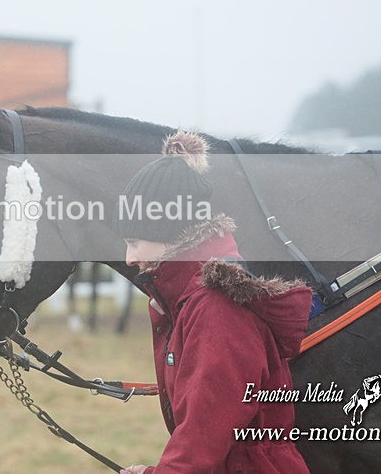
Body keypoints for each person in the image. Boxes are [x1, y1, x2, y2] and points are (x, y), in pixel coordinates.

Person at [114, 131, 312, 474]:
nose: (128, 259)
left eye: (134, 242)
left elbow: (206, 434)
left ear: (168, 233)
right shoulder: (186, 301)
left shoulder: (217, 309)